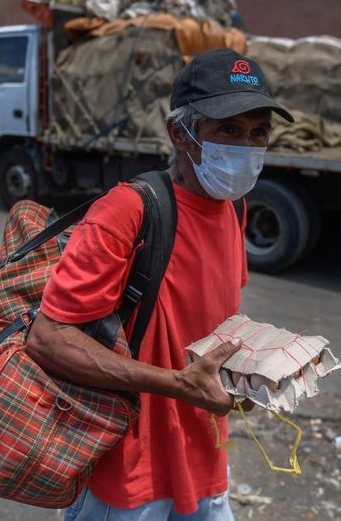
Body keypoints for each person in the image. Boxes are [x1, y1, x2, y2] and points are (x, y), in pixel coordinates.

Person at [25, 48, 293, 520]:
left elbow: (214, 322)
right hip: (129, 477)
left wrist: (245, 376)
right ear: (180, 133)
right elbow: (47, 339)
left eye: (258, 133)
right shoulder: (128, 210)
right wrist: (177, 384)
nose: (246, 146)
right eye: (228, 129)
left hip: (206, 460)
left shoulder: (233, 208)